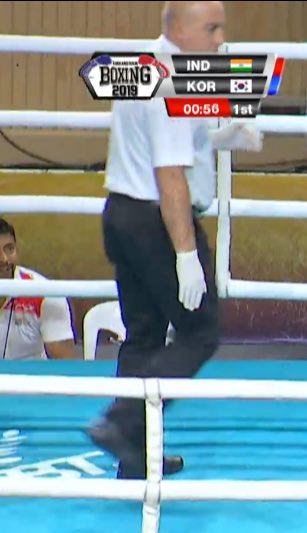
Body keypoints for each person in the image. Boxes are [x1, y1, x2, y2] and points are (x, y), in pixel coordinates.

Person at [86, 0, 262, 480]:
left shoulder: (145, 67)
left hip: (122, 213)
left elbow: (162, 142)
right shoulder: (169, 81)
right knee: (200, 331)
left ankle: (134, 455)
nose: (220, 39)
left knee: (143, 334)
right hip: (156, 221)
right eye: (211, 28)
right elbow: (169, 176)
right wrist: (186, 255)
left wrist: (221, 138)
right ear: (180, 29)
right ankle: (123, 422)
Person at [0, 217, 78, 361]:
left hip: (30, 375)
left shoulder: (44, 293)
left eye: (9, 249)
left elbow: (67, 364)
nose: (4, 259)